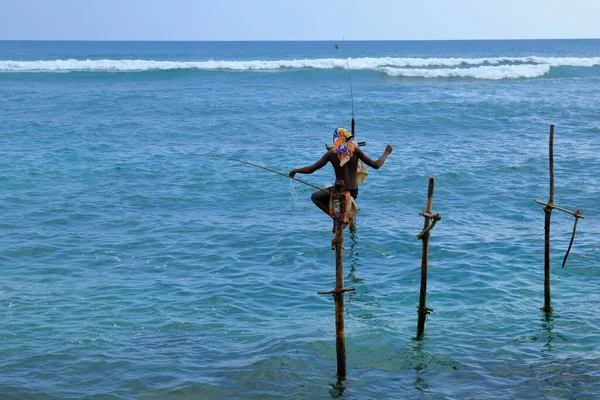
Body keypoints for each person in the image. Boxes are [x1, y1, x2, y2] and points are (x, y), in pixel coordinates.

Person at [289, 127, 392, 216]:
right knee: (335, 198)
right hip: (354, 193)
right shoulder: (355, 151)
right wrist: (386, 152)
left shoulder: (331, 153)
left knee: (315, 197)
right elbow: (376, 165)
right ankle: (341, 215)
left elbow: (311, 169)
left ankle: (335, 217)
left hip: (340, 192)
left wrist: (295, 171)